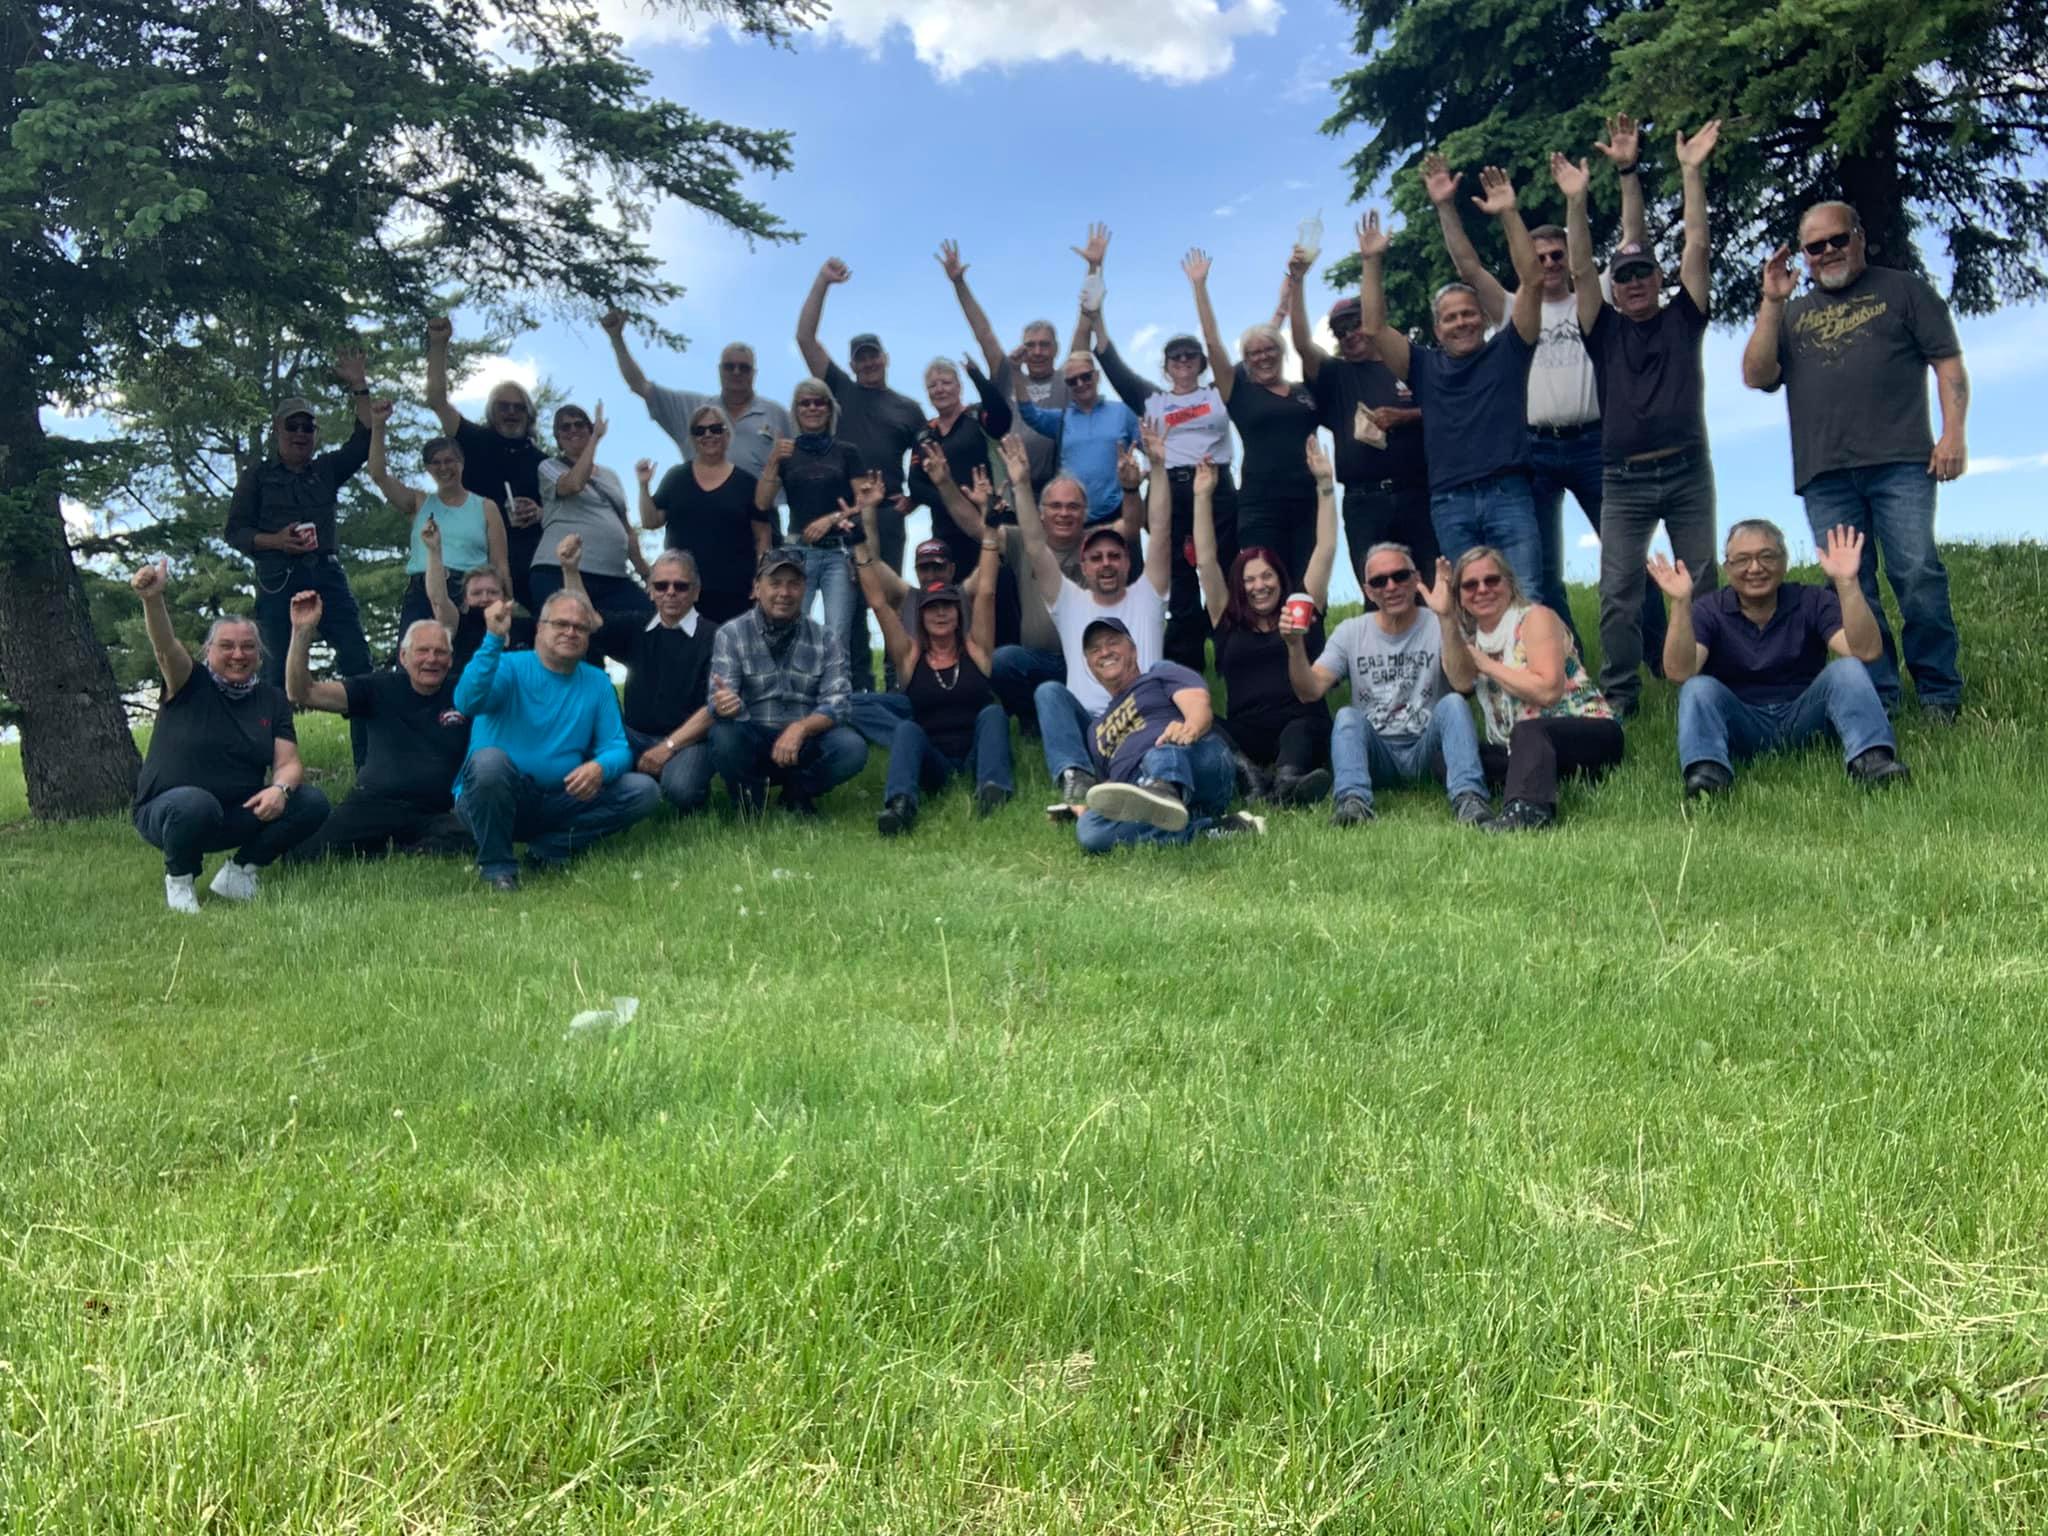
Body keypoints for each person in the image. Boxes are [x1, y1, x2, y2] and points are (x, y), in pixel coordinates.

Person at [1425, 117, 1655, 646]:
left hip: (1594, 441)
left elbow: (1633, 237)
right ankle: (1565, 661)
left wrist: (1626, 172)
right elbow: (1468, 265)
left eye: (1557, 255)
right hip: (1533, 449)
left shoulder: (1594, 296)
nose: (1549, 263)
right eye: (1541, 256)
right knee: (1542, 570)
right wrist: (1446, 207)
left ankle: (1657, 654)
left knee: (1626, 553)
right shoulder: (1511, 308)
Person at [1740, 201, 1970, 717]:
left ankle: (1939, 693)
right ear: (1804, 254)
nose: (1828, 252)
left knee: (1916, 572)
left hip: (1901, 462)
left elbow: (1948, 363)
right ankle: (1877, 695)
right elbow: (1756, 375)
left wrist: (1953, 434)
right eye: (1814, 246)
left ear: (1859, 237)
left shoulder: (1904, 290)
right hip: (1825, 473)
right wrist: (1772, 300)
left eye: (1837, 240)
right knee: (1849, 585)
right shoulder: (1791, 313)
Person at [1556, 121, 1720, 716]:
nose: (1633, 284)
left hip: (1687, 473)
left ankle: (1708, 683)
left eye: (1642, 273)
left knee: (1701, 584)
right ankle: (1620, 698)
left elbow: (1696, 245)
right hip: (1623, 480)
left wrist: (1690, 172)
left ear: (1658, 278)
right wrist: (1576, 202)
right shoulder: (1602, 330)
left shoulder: (1684, 317)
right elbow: (1580, 270)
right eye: (1622, 277)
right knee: (1618, 593)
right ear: (1615, 287)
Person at [1357, 170, 1545, 594]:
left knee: (1527, 594)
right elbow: (1374, 327)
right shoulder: (1423, 366)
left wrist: (1509, 213)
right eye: (1450, 317)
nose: (1461, 322)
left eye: (1468, 313)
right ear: (1437, 329)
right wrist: (1371, 262)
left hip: (1508, 493)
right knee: (1469, 605)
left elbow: (1532, 281)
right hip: (1449, 501)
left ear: (1484, 318)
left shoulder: (1510, 349)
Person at [128, 560, 330, 912]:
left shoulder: (271, 699)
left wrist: (280, 790)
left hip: (236, 813)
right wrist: (152, 599)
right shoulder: (188, 682)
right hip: (170, 813)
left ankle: (240, 872)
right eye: (227, 646)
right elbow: (165, 647)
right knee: (195, 803)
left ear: (259, 654)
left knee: (311, 802)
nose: (238, 655)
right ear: (208, 651)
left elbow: (289, 764)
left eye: (248, 647)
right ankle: (180, 879)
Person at [1655, 521, 1910, 795]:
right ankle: (1708, 774)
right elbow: (1680, 672)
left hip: (1805, 716)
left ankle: (1872, 761)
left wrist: (1847, 584)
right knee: (1697, 687)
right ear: (1727, 568)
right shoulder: (1709, 609)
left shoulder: (1812, 600)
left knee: (1848, 669)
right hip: (1741, 722)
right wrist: (1680, 603)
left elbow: (1866, 651)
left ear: (1785, 562)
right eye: (1742, 559)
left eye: (1767, 556)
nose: (1755, 568)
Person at [1085, 239, 1238, 668]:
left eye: (1190, 355)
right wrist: (1096, 286)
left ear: (1201, 363)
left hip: (1216, 488)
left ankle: (1234, 656)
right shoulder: (1153, 400)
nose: (1183, 361)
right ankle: (1187, 669)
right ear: (1166, 366)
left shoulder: (1218, 393)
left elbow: (1223, 345)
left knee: (1225, 569)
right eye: (1175, 357)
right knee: (1179, 577)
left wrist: (1200, 288)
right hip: (1170, 491)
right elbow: (1110, 361)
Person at [221, 356, 376, 768]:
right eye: (293, 426)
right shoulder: (257, 476)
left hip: (327, 574)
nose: (301, 434)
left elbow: (364, 441)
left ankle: (369, 767)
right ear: (278, 430)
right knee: (273, 676)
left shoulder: (326, 470)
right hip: (277, 580)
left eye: (308, 427)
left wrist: (359, 386)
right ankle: (274, 769)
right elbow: (234, 531)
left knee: (358, 662)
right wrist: (276, 541)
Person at [453, 590, 660, 892]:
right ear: (540, 628)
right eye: (561, 623)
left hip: (561, 797)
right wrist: (493, 639)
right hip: (493, 798)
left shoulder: (597, 682)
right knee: (489, 762)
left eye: (580, 627)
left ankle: (549, 849)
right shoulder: (507, 666)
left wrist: (600, 767)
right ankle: (497, 868)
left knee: (643, 791)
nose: (571, 632)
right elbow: (467, 701)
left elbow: (617, 747)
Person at [1018, 431, 1173, 804]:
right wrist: (1021, 484)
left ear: (1128, 562)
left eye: (1114, 556)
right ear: (1083, 566)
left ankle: (1149, 783)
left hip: (1142, 720)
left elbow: (1162, 531)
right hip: (1091, 728)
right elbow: (1035, 545)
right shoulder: (1069, 601)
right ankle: (1077, 776)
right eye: (1096, 558)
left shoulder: (1148, 595)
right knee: (1049, 693)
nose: (1106, 564)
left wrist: (1157, 466)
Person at [1288, 546, 1491, 826]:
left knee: (1453, 704)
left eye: (1400, 576)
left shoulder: (1438, 622)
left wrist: (1447, 618)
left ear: (1416, 579)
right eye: (1379, 581)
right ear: (1368, 592)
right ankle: (1353, 803)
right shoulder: (1351, 632)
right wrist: (1294, 645)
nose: (1391, 586)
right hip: (1377, 753)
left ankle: (1469, 799)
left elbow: (1464, 682)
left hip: (1427, 749)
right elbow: (1309, 691)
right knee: (1347, 716)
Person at [1438, 545, 1623, 831]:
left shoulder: (1536, 618)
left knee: (1528, 731)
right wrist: (1446, 617)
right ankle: (1527, 783)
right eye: (1470, 585)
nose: (1482, 589)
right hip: (1521, 747)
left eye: (1492, 580)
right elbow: (1461, 682)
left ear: (1509, 584)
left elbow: (1548, 691)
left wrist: (1488, 666)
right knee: (1450, 756)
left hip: (1589, 731)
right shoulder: (1473, 641)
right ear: (1460, 597)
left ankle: (1528, 811)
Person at [1194, 438, 1336, 805]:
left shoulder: (1301, 609)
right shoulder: (1226, 618)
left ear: (1280, 578)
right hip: (1247, 731)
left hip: (1298, 725)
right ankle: (1250, 777)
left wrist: (1325, 484)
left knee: (1303, 727)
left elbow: (1325, 549)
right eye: (1250, 580)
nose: (1259, 586)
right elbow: (1206, 561)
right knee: (1203, 720)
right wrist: (1202, 496)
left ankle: (1287, 782)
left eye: (1267, 576)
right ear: (1239, 586)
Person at [283, 595, 471, 860]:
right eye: (422, 651)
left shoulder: (465, 692)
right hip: (374, 804)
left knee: (473, 834)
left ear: (450, 660)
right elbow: (302, 693)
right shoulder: (376, 687)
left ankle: (393, 852)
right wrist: (302, 632)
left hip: (435, 811)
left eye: (440, 652)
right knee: (305, 856)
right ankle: (392, 849)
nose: (432, 659)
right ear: (403, 657)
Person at [855, 525, 1012, 835]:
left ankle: (993, 789)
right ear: (921, 616)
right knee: (907, 729)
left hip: (976, 754)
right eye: (932, 608)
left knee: (994, 713)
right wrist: (859, 545)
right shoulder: (910, 657)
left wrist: (991, 531)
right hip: (934, 759)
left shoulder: (976, 648)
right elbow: (879, 604)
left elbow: (986, 592)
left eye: (947, 607)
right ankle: (900, 805)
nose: (940, 614)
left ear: (958, 612)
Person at [1185, 247, 1324, 585]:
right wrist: (1200, 287)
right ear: (1245, 362)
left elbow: (1302, 340)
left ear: (1281, 351)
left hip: (1308, 501)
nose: (1263, 357)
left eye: (1269, 349)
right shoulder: (1240, 392)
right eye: (1254, 353)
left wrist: (1293, 289)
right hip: (1261, 505)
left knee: (1308, 590)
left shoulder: (1304, 391)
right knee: (1265, 587)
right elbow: (1213, 344)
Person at [1289, 273, 1437, 587]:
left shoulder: (1406, 362)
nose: (1349, 335)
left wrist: (1404, 416)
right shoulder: (1336, 373)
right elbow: (1302, 344)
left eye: (1355, 324)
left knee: (1430, 584)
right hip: (1364, 500)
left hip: (1417, 493)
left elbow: (1445, 409)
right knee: (1376, 587)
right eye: (1340, 331)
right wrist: (1297, 282)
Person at [1069, 619, 1258, 852]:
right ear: (1089, 664)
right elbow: (1112, 786)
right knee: (1090, 831)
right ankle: (1210, 828)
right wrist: (1090, 806)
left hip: (1195, 759)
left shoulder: (1159, 673)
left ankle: (1165, 790)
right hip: (1141, 790)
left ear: (1133, 650)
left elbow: (1198, 703)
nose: (1105, 652)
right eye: (1095, 650)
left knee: (1161, 749)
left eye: (1112, 642)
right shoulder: (1094, 730)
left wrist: (1189, 728)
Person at [706, 547, 869, 815]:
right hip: (754, 737)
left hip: (805, 742)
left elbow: (838, 704)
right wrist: (725, 704)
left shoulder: (826, 639)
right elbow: (718, 700)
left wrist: (801, 728)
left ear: (804, 589)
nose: (785, 592)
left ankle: (798, 793)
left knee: (851, 748)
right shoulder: (731, 634)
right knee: (723, 736)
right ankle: (749, 802)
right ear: (757, 588)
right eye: (775, 583)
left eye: (794, 584)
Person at [796, 257, 929, 580]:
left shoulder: (909, 409)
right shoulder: (840, 389)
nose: (869, 363)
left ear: (886, 359)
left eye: (874, 356)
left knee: (890, 596)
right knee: (846, 602)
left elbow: (929, 459)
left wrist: (916, 498)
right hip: (841, 512)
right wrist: (823, 282)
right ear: (852, 365)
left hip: (887, 514)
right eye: (861, 359)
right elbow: (805, 338)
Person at [567, 548, 718, 816]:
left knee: (681, 790)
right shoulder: (636, 626)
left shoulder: (716, 636)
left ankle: (661, 779)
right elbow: (588, 621)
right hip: (634, 736)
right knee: (582, 731)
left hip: (689, 742)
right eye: (661, 585)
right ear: (650, 590)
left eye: (681, 586)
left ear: (696, 591)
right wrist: (570, 569)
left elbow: (714, 708)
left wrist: (667, 748)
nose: (670, 592)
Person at [425, 316, 548, 609]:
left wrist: (539, 512)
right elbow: (437, 400)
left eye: (518, 408)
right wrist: (439, 345)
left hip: (529, 560)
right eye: (503, 407)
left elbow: (564, 509)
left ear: (528, 415)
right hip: (473, 555)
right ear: (492, 411)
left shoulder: (542, 461)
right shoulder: (474, 439)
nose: (511, 413)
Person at [938, 239, 1080, 489]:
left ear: (1056, 349)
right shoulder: (1007, 375)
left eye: (1044, 345)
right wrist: (959, 284)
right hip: (1012, 487)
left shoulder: (1069, 379)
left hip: (1058, 487)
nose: (1037, 352)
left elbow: (1084, 333)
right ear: (1022, 349)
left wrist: (1093, 271)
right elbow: (984, 333)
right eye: (1030, 345)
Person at [755, 381, 868, 686]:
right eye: (805, 403)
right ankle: (792, 698)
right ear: (796, 410)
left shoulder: (847, 451)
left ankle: (837, 699)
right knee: (790, 628)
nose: (812, 408)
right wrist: (773, 461)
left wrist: (832, 518)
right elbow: (762, 502)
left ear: (829, 409)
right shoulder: (786, 452)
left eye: (819, 402)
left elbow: (864, 501)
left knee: (837, 633)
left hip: (838, 553)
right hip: (797, 554)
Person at [365, 399, 510, 636]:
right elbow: (378, 474)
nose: (444, 468)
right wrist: (378, 425)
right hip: (423, 591)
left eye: (449, 461)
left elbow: (500, 564)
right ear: (428, 468)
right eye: (436, 462)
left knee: (471, 656)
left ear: (461, 463)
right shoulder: (419, 502)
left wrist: (505, 609)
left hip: (471, 591)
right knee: (417, 654)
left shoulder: (486, 507)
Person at [601, 312, 793, 481]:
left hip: (759, 510)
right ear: (719, 370)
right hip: (698, 509)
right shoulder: (692, 408)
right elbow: (640, 385)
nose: (736, 372)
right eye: (729, 366)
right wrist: (617, 339)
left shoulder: (777, 414)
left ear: (754, 373)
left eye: (744, 368)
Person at [529, 402, 652, 652]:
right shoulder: (549, 467)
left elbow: (626, 529)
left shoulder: (610, 476)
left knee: (652, 626)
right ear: (558, 438)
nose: (573, 430)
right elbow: (573, 484)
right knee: (571, 645)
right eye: (565, 427)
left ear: (589, 427)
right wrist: (595, 439)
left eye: (579, 424)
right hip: (560, 572)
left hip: (614, 577)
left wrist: (647, 575)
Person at [638, 405, 773, 627]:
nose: (708, 435)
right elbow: (650, 522)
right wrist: (643, 486)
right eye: (700, 431)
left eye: (715, 429)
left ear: (727, 435)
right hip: (682, 590)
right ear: (693, 438)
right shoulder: (676, 478)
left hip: (734, 592)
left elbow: (763, 534)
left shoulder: (747, 483)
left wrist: (762, 579)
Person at [904, 355, 1015, 574]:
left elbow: (1002, 416)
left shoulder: (976, 415)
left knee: (997, 585)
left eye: (946, 383)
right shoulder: (924, 434)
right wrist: (952, 503)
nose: (940, 389)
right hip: (946, 531)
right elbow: (916, 485)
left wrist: (977, 376)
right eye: (933, 386)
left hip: (991, 520)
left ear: (959, 387)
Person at [1014, 349, 1140, 525]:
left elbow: (1151, 451)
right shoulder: (1062, 419)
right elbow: (1029, 413)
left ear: (1096, 376)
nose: (1080, 383)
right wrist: (1016, 371)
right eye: (1072, 381)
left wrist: (1145, 480)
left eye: (1086, 377)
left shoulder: (1122, 412)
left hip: (1118, 513)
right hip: (1072, 518)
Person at [424, 542, 534, 680]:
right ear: (465, 599)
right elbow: (438, 599)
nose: (485, 598)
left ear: (505, 597)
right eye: (476, 593)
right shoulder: (459, 625)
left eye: (493, 592)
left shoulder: (526, 627)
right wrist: (434, 551)